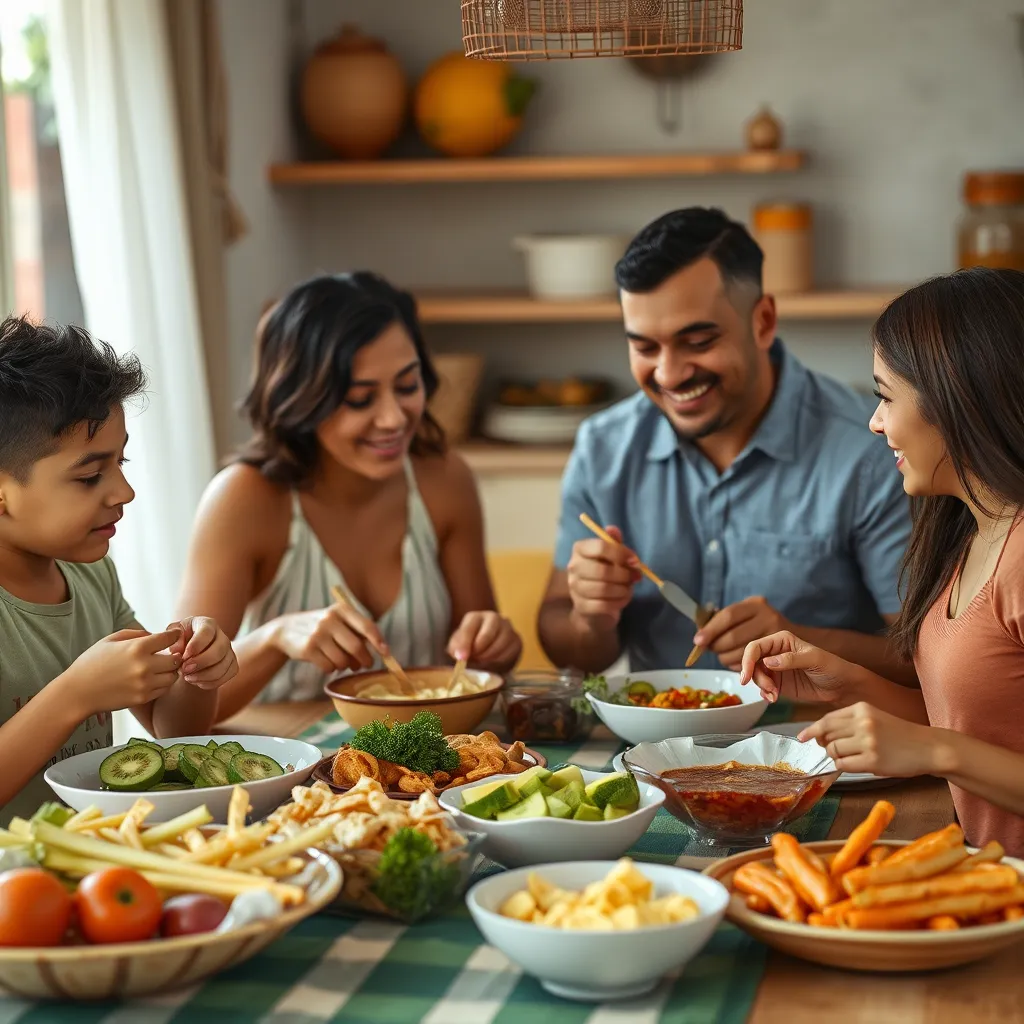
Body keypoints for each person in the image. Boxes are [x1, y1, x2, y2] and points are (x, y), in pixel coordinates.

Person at [538, 207, 913, 682]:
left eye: (697, 341)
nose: (669, 374)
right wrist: (590, 617)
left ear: (763, 321)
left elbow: (921, 659)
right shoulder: (603, 448)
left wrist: (799, 638)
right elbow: (568, 650)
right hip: (647, 751)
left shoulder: (870, 447)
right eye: (645, 347)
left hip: (816, 744)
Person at [740, 267, 1024, 856]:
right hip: (989, 877)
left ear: (956, 399)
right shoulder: (968, 533)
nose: (874, 423)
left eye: (885, 397)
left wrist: (932, 752)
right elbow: (978, 728)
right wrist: (846, 684)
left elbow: (949, 746)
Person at [176, 272, 521, 722]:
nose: (393, 418)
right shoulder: (244, 499)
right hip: (288, 769)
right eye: (360, 399)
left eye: (407, 385)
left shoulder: (444, 479)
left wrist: (496, 643)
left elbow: (479, 667)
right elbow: (176, 714)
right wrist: (276, 638)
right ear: (301, 399)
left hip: (420, 774)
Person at [0, 317, 237, 824]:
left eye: (120, 463)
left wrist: (196, 673)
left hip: (96, 872)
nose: (124, 493)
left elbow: (171, 731)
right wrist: (73, 694)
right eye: (89, 476)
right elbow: (78, 694)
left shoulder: (92, 574)